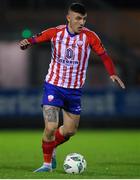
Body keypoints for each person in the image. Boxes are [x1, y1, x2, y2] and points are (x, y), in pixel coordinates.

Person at [19, 3, 125, 172]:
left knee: (69, 131)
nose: (81, 22)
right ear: (69, 18)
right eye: (78, 18)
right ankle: (47, 164)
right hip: (53, 86)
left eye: (84, 18)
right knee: (51, 127)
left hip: (74, 91)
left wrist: (112, 73)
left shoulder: (90, 37)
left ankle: (51, 146)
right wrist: (27, 43)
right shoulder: (55, 32)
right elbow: (34, 39)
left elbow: (104, 56)